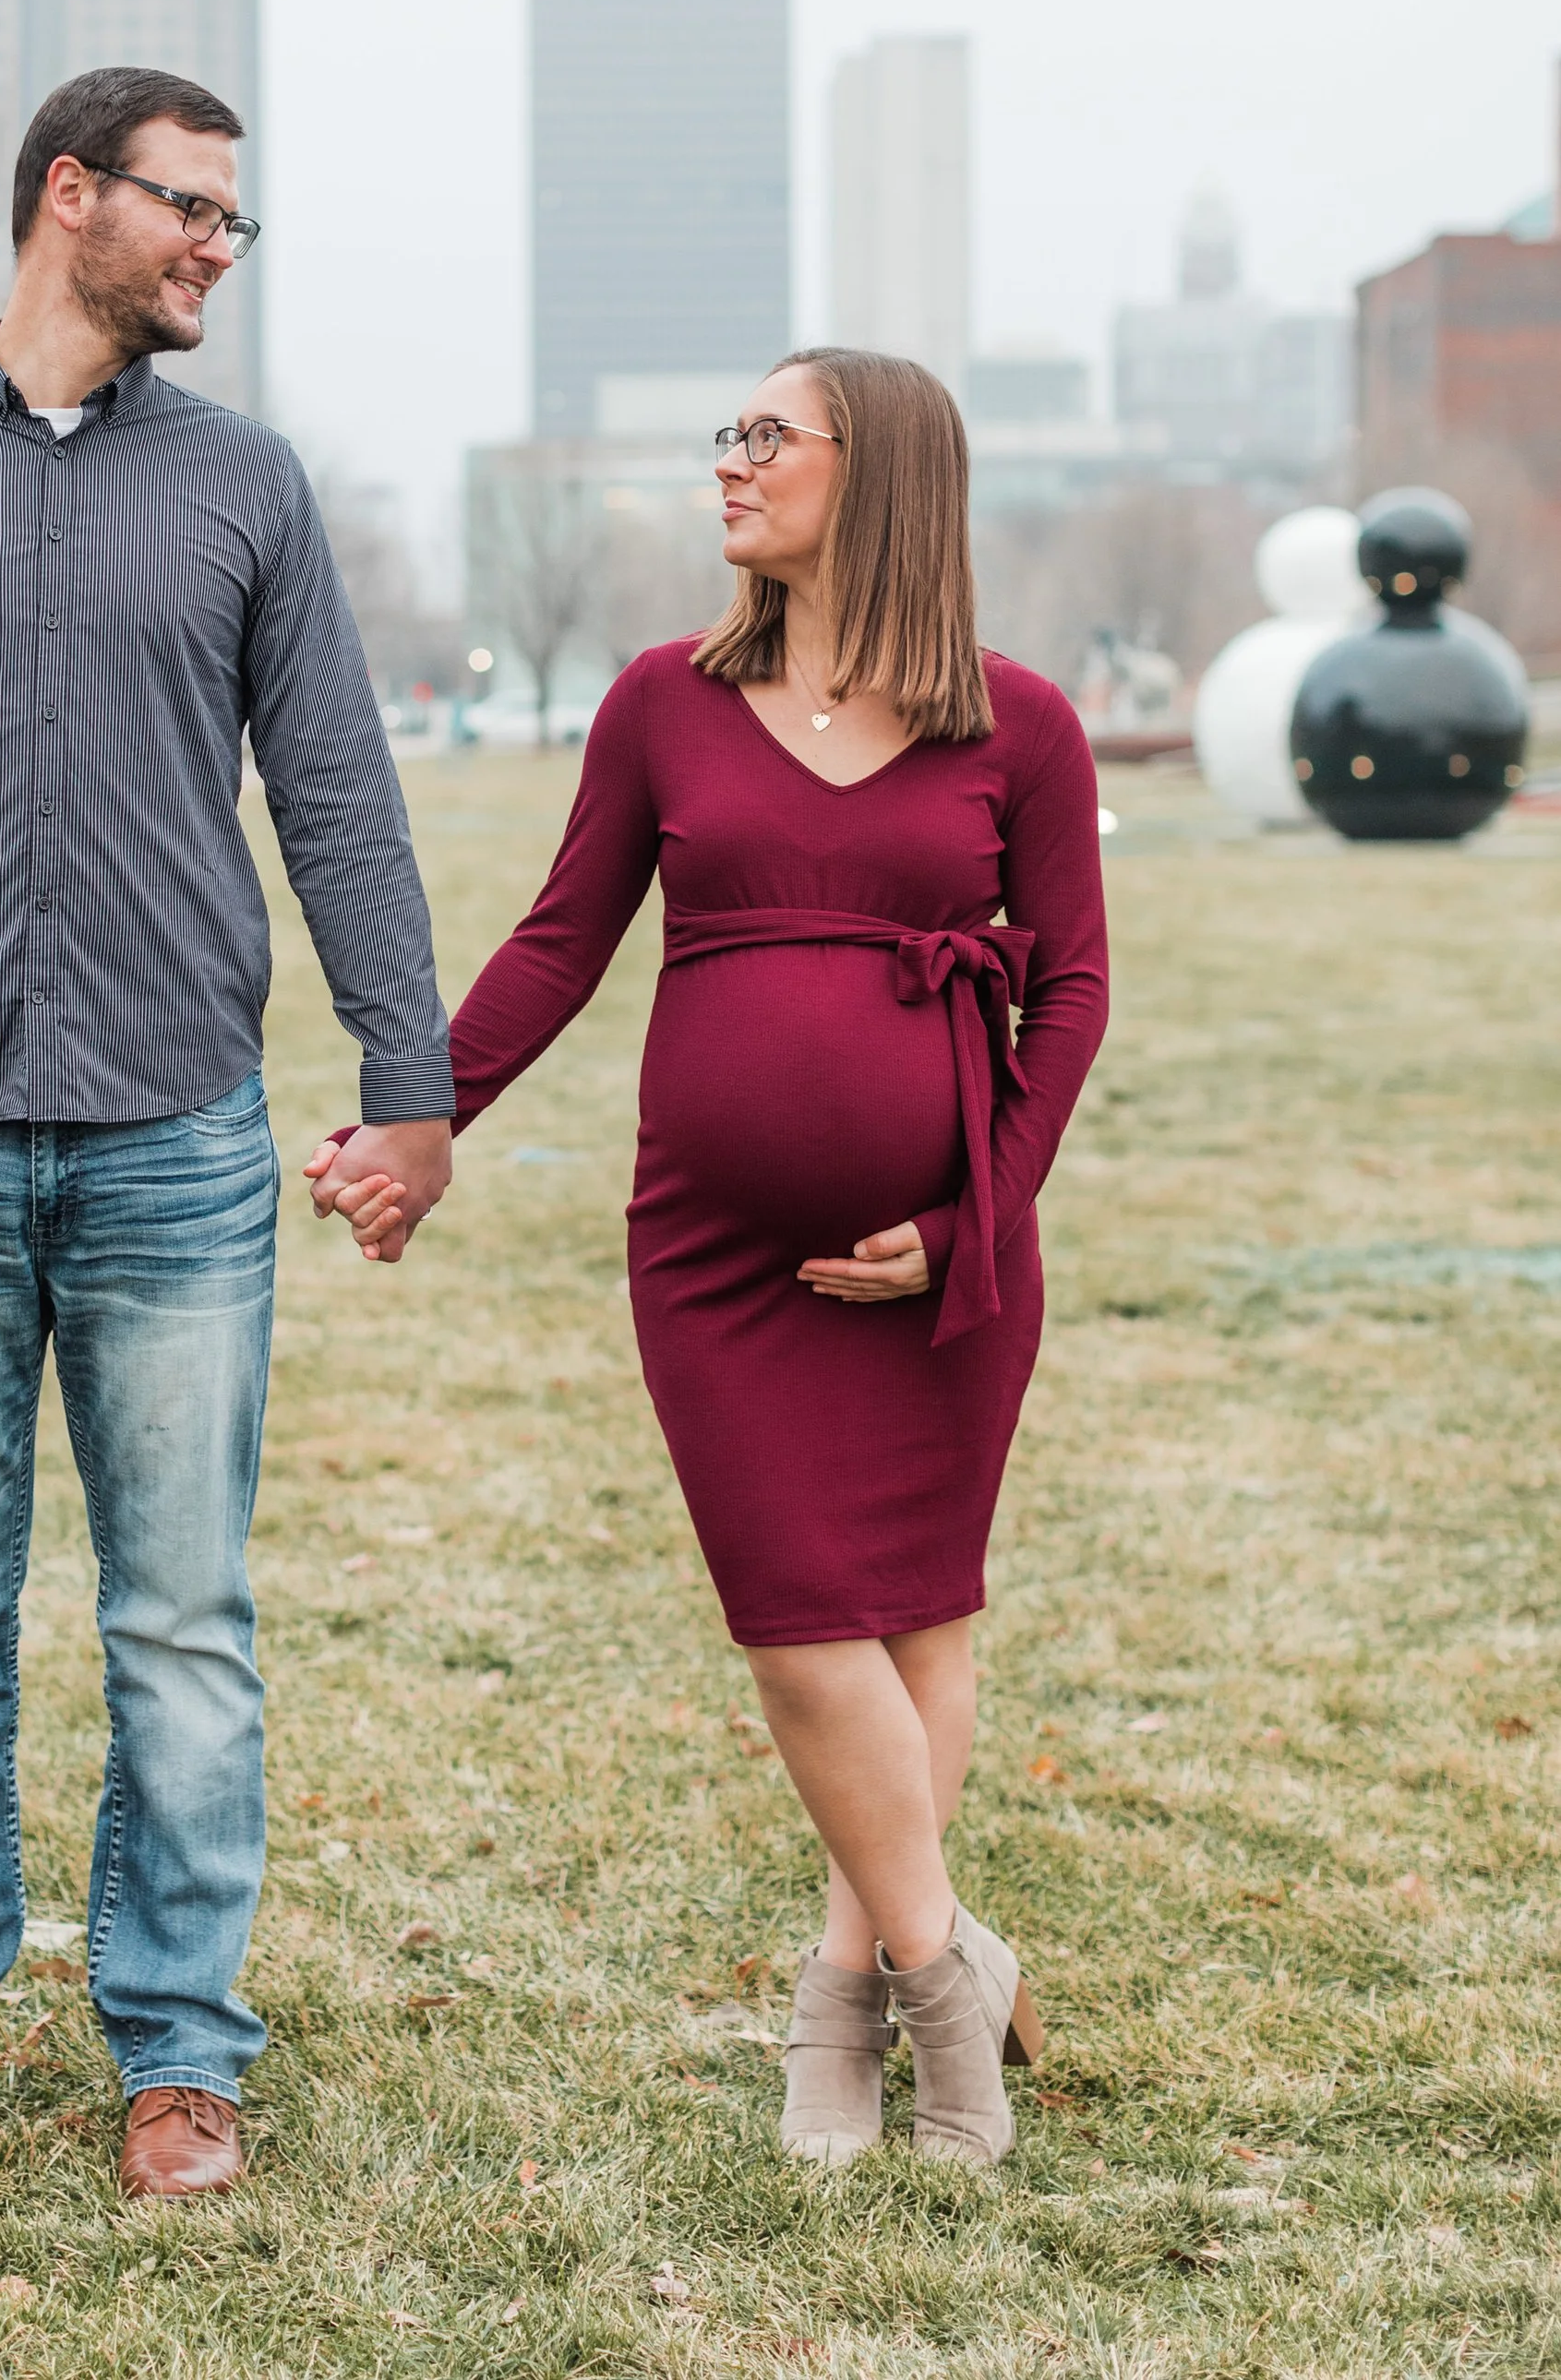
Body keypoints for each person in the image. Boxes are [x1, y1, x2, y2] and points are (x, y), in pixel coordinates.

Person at [0, 66, 453, 2212]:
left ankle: (181, 2056)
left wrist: (408, 1081)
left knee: (183, 1632)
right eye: (189, 208)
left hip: (176, 1148)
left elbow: (336, 795)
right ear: (70, 197)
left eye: (234, 217)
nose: (219, 245)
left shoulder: (244, 485)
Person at [314, 347, 1108, 2169]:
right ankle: (941, 1972)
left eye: (766, 435)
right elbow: (557, 944)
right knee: (799, 1629)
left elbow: (1065, 993)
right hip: (713, 1264)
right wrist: (412, 1117)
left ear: (879, 472)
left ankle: (849, 1998)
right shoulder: (660, 704)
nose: (729, 463)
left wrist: (970, 1222)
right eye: (726, 434)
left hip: (946, 1266)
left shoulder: (1022, 725)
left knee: (917, 1618)